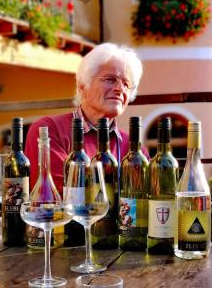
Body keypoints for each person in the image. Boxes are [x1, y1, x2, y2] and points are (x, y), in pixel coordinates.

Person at [25, 42, 149, 194]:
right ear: (82, 86)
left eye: (126, 84)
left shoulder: (135, 150)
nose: (119, 89)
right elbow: (58, 196)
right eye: (110, 79)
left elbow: (142, 203)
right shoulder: (48, 130)